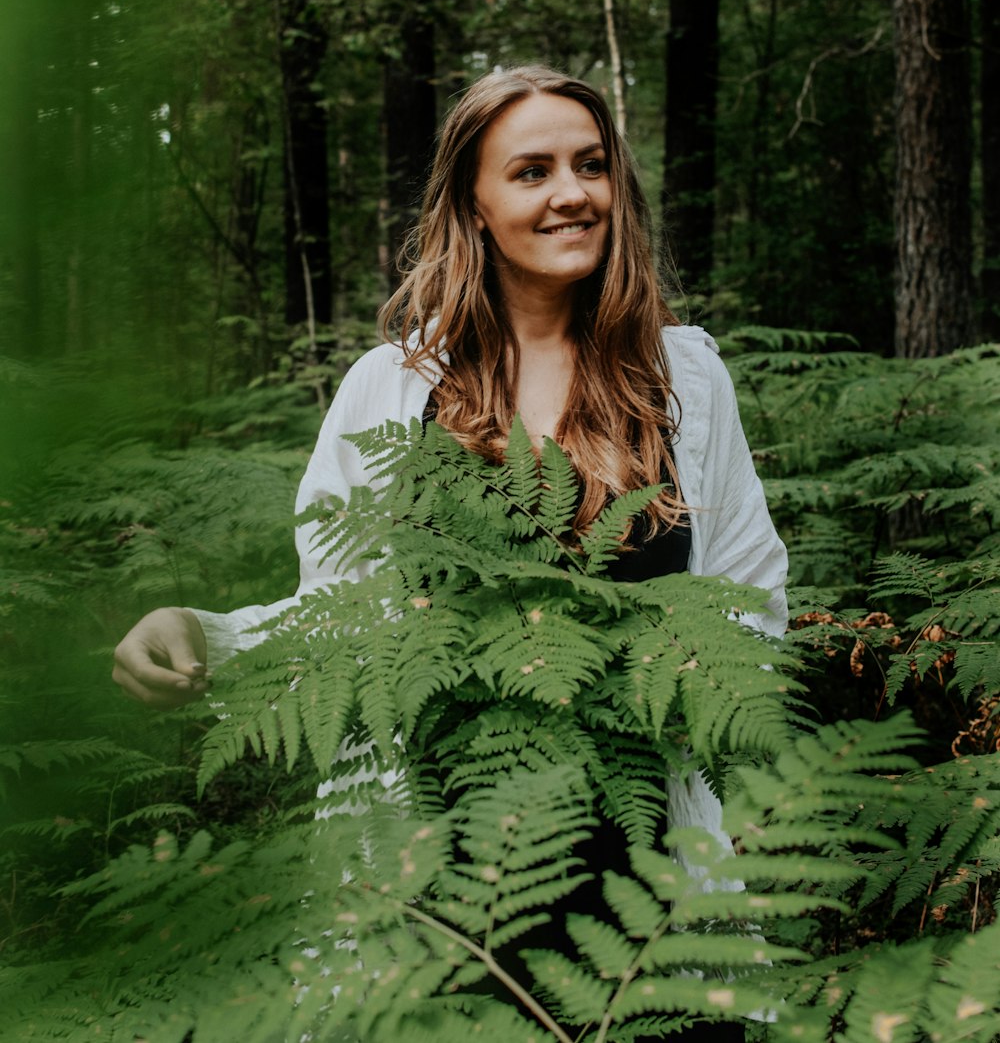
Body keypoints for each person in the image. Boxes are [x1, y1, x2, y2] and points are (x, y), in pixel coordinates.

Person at [113, 64, 787, 1037]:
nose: (572, 193)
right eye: (532, 171)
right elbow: (343, 619)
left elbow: (752, 601)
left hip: (644, 865)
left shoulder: (684, 377)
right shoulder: (390, 390)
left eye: (591, 165)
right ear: (472, 204)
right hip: (436, 872)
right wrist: (202, 635)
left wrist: (636, 669)